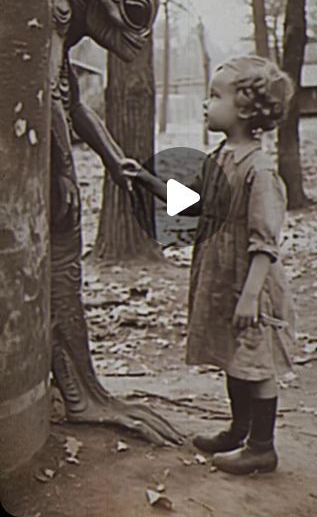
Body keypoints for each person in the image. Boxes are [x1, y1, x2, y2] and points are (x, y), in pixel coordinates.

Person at [121, 55, 296, 474]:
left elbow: (264, 241)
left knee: (255, 361)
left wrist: (252, 294)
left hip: (249, 282)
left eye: (215, 96)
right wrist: (146, 180)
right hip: (222, 277)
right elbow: (193, 203)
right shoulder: (220, 158)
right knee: (233, 356)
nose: (205, 103)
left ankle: (262, 447)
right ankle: (239, 430)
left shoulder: (260, 170)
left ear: (245, 108)